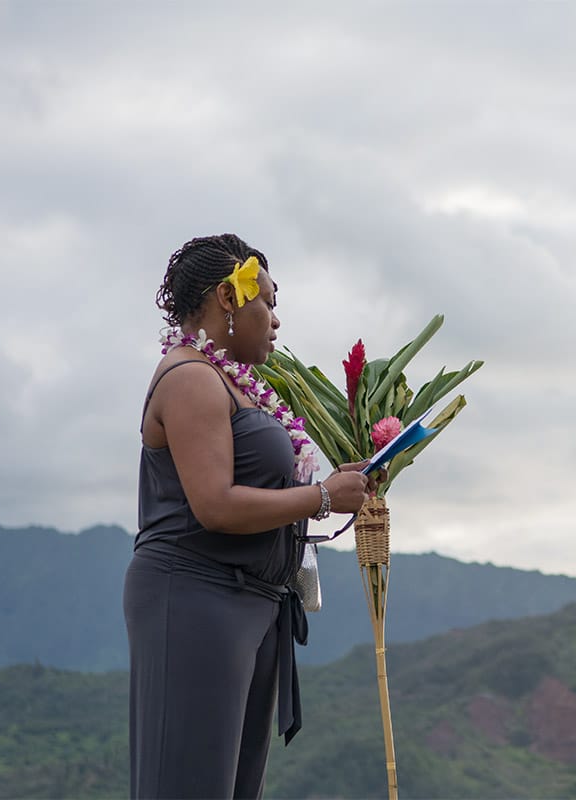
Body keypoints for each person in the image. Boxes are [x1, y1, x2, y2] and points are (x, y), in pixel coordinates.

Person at [124, 234, 380, 799]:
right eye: (267, 301)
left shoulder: (234, 384)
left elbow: (258, 491)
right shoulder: (190, 377)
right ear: (227, 298)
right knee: (190, 784)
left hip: (253, 605)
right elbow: (214, 505)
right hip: (196, 598)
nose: (276, 320)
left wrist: (338, 485)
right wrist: (320, 499)